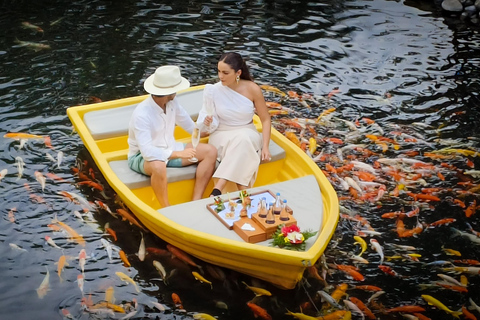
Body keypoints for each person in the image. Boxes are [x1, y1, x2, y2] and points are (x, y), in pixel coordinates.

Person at [127, 65, 217, 207]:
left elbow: (189, 125)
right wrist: (178, 154)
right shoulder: (142, 115)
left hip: (170, 148)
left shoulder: (172, 103)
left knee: (210, 151)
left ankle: (196, 201)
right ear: (169, 92)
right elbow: (147, 153)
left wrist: (205, 128)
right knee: (159, 166)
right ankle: (166, 208)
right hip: (141, 157)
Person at [196, 52, 271, 196]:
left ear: (238, 73)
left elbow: (265, 119)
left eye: (225, 72)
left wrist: (266, 147)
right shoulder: (214, 91)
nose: (220, 76)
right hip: (221, 134)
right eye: (218, 71)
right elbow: (205, 128)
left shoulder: (252, 89)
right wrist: (208, 122)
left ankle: (219, 187)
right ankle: (244, 192)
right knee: (242, 144)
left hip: (247, 131)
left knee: (243, 139)